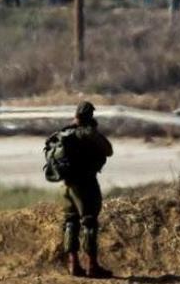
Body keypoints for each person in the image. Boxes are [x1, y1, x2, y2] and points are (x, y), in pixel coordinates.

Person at [60, 102, 113, 278]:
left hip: (66, 185)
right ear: (90, 115)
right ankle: (92, 266)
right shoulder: (87, 132)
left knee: (70, 222)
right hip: (85, 183)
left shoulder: (66, 131)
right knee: (89, 222)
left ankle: (73, 264)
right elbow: (108, 150)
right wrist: (93, 130)